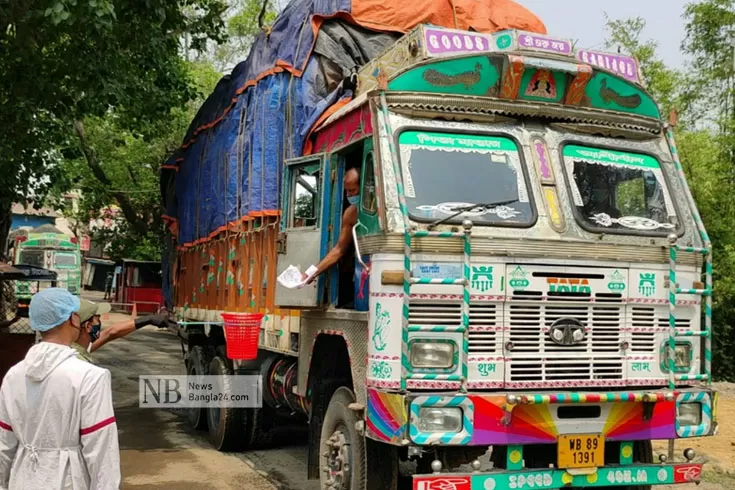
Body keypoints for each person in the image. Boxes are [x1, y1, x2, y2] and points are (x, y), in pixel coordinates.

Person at [0, 288, 120, 489]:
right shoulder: (90, 377)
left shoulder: (14, 374)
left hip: (21, 480)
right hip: (67, 481)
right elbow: (101, 451)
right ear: (74, 319)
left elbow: (4, 444)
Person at [303, 167, 360, 286]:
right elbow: (339, 249)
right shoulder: (350, 214)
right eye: (347, 191)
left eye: (353, 190)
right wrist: (311, 273)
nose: (349, 195)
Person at [72, 300, 170, 363]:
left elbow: (110, 333)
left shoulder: (75, 345)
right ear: (88, 326)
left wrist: (147, 320)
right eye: (97, 319)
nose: (99, 323)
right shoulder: (75, 359)